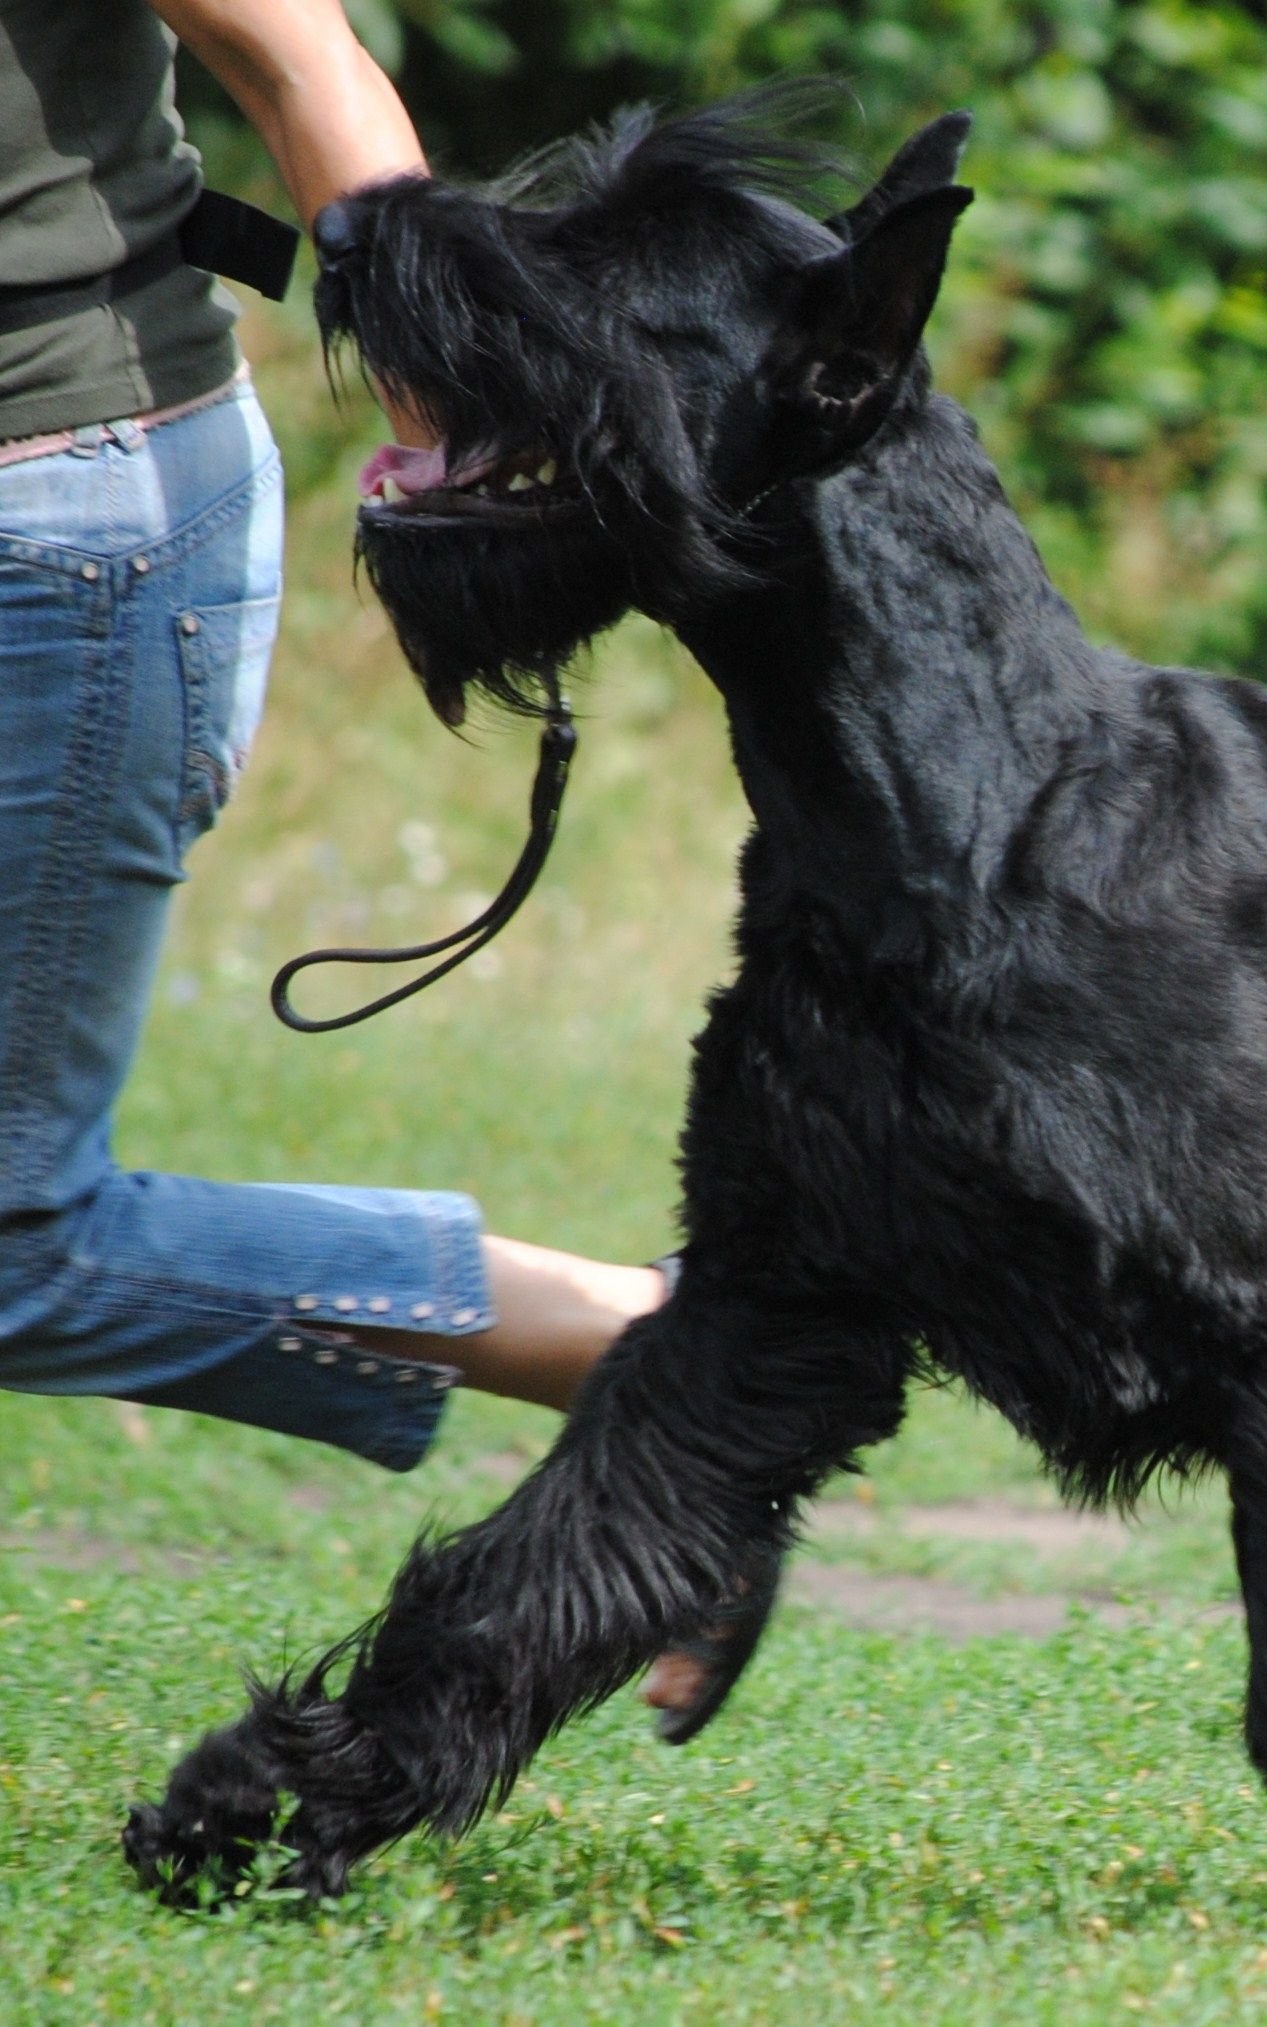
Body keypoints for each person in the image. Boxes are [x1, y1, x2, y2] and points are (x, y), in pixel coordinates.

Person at [0, 0, 737, 1718]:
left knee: (13, 1248)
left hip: (57, 534)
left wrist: (456, 429)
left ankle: (649, 1360)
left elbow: (297, 57)